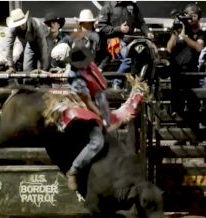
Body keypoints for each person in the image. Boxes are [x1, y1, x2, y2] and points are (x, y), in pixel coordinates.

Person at [64, 47, 108, 190]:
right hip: (81, 111)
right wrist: (100, 115)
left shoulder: (86, 71)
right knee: (97, 142)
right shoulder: (76, 78)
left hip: (91, 105)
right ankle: (73, 170)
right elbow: (87, 101)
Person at [98, 1, 154, 90]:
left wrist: (148, 33)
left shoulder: (132, 6)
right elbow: (101, 27)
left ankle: (140, 83)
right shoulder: (107, 8)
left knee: (145, 55)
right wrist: (119, 29)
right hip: (113, 43)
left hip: (131, 42)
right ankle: (117, 83)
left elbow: (141, 23)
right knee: (129, 58)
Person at [166, 3, 206, 124]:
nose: (191, 18)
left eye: (194, 15)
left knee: (193, 104)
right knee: (177, 104)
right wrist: (175, 33)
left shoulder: (200, 33)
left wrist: (185, 37)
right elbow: (169, 48)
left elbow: (199, 47)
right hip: (177, 72)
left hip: (192, 72)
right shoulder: (180, 29)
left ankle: (192, 136)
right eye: (188, 15)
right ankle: (179, 134)